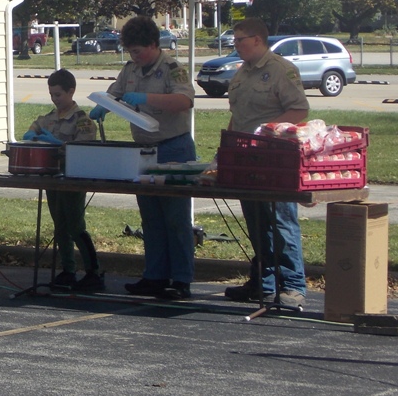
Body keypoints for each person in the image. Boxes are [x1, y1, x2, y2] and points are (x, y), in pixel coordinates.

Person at [89, 16, 197, 300]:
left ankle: (181, 279)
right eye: (130, 51)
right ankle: (155, 275)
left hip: (173, 147)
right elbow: (115, 94)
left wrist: (146, 97)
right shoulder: (130, 69)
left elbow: (185, 101)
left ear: (153, 44)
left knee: (176, 218)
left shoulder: (172, 69)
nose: (134, 56)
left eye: (138, 51)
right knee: (151, 217)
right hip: (144, 150)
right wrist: (104, 106)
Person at [221, 17, 310, 308]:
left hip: (274, 158)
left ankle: (293, 286)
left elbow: (298, 109)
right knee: (257, 222)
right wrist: (228, 145)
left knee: (281, 221)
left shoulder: (281, 70)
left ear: (257, 40)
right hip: (246, 157)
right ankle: (264, 282)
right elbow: (239, 114)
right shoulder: (242, 72)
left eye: (240, 40)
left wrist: (265, 132)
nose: (236, 45)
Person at [23, 69, 105, 292]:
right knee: (60, 226)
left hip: (73, 178)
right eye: (51, 94)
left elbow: (84, 149)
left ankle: (93, 271)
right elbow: (32, 130)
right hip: (53, 177)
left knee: (75, 225)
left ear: (71, 92)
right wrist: (32, 136)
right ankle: (68, 269)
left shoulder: (82, 120)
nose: (54, 99)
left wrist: (59, 144)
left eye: (58, 95)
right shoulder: (48, 118)